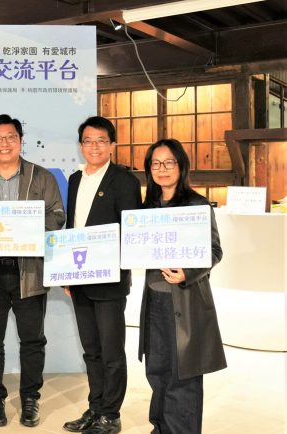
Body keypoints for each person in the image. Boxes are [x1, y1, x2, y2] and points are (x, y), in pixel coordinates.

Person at [0, 114, 65, 427]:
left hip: (29, 271)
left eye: (10, 137)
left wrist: (26, 229)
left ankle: (30, 398)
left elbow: (57, 216)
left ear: (20, 141)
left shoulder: (41, 177)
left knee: (33, 340)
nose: (4, 143)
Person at [139, 138, 225, 434]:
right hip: (154, 299)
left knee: (183, 374)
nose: (162, 169)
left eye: (168, 162)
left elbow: (215, 251)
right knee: (157, 370)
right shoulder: (147, 207)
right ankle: (160, 428)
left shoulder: (197, 205)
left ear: (181, 166)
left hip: (184, 300)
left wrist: (186, 272)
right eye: (155, 163)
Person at [63, 116, 142, 434]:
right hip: (79, 278)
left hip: (109, 280)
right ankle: (95, 407)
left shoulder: (124, 181)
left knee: (111, 352)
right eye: (88, 141)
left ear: (112, 145)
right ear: (80, 145)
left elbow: (130, 231)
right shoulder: (74, 179)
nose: (94, 146)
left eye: (101, 141)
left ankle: (111, 413)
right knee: (91, 351)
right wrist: (67, 272)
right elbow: (72, 228)